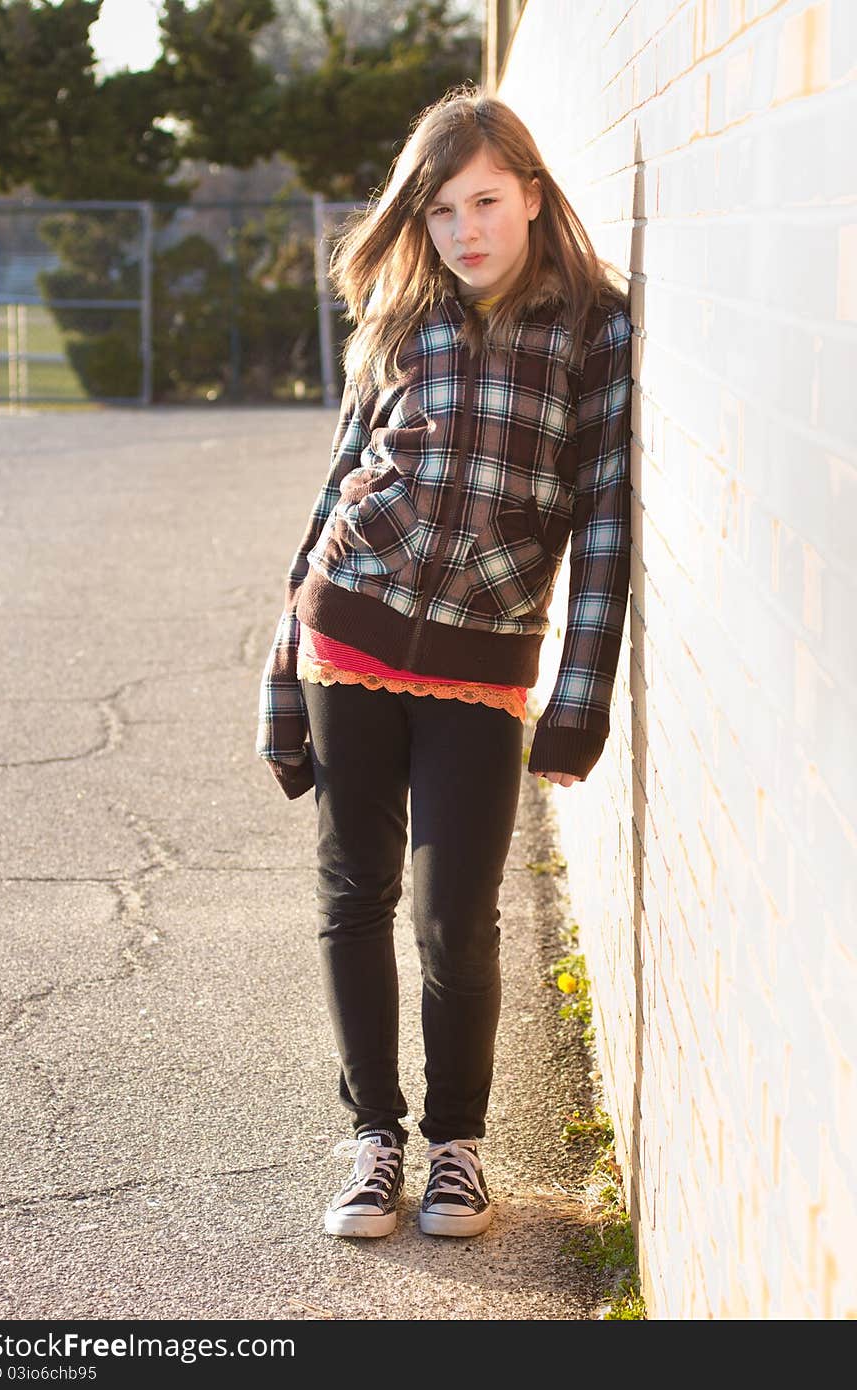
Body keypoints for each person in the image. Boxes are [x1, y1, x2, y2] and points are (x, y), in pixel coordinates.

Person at [256, 84, 632, 1240]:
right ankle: (374, 1138)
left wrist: (579, 697)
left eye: (484, 201)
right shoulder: (398, 314)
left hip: (485, 660)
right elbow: (333, 492)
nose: (466, 231)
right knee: (352, 895)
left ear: (528, 193)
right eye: (441, 210)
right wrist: (281, 673)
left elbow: (605, 524)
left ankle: (457, 1148)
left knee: (455, 918)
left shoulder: (593, 326)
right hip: (350, 630)